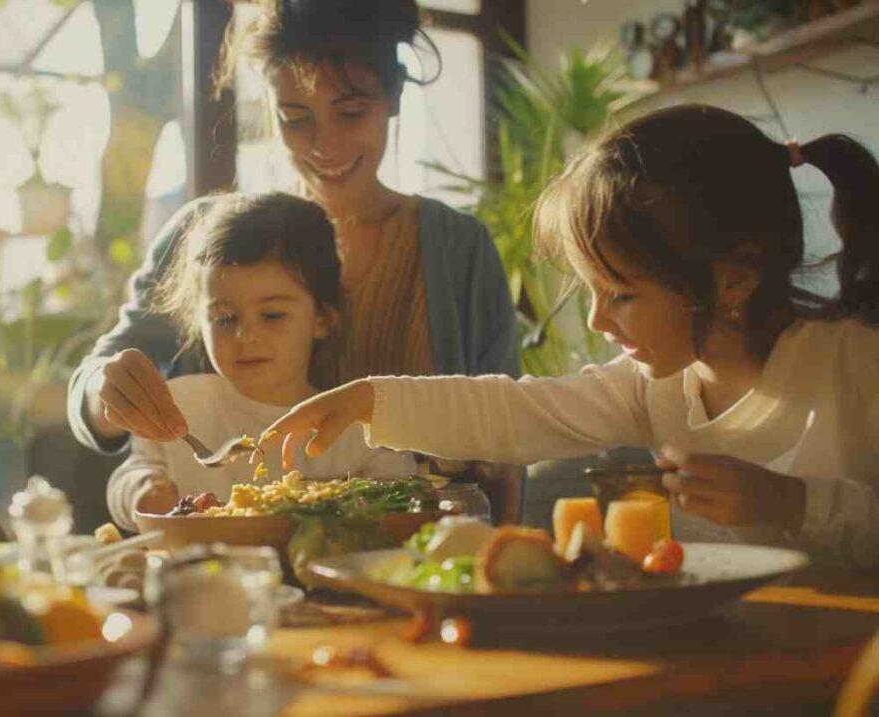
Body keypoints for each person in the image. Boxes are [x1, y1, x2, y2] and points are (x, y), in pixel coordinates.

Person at [259, 104, 879, 568]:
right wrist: (367, 397)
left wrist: (796, 505)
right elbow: (518, 411)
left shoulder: (857, 363)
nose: (597, 322)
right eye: (591, 291)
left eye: (623, 294)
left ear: (734, 278)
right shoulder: (653, 387)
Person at [68, 0, 523, 519]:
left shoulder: (459, 249)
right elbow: (95, 384)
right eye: (295, 118)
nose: (324, 145)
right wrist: (106, 391)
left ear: (393, 97)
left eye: (350, 113)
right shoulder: (208, 237)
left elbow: (504, 430)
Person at [105, 193, 417, 531]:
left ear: (322, 320)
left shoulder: (354, 426)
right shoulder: (176, 406)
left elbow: (403, 495)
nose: (245, 336)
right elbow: (131, 471)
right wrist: (142, 489)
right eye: (224, 318)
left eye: (272, 315)